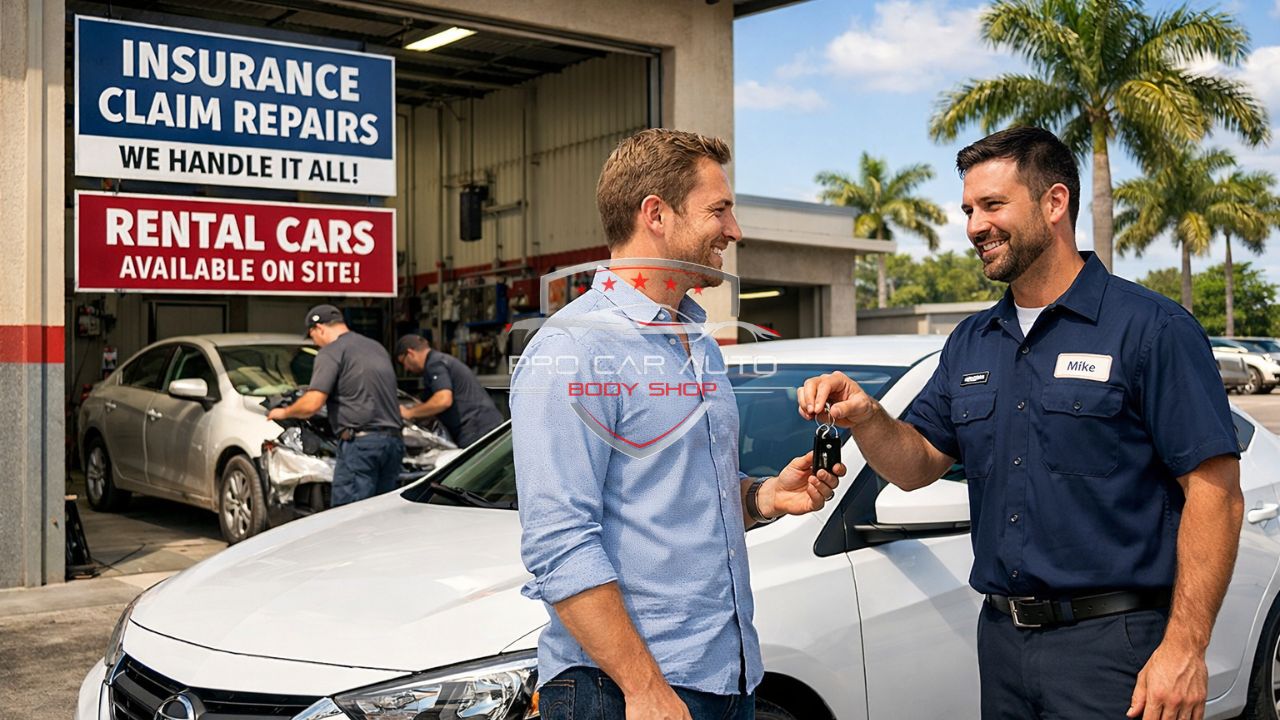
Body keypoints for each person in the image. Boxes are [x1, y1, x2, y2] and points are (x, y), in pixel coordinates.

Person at [799, 127, 1244, 720]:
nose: (974, 226)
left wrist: (1185, 648)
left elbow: (1217, 495)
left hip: (1116, 650)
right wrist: (868, 416)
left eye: (992, 205)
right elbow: (916, 467)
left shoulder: (1151, 329)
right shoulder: (972, 341)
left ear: (1054, 203)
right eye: (967, 210)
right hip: (1003, 644)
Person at [512, 128, 845, 720]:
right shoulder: (576, 348)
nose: (734, 230)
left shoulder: (694, 342)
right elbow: (559, 545)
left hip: (724, 677)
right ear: (655, 214)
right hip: (630, 693)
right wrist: (644, 690)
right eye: (719, 210)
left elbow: (674, 500)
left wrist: (764, 496)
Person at [267, 304, 404, 506]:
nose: (314, 342)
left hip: (361, 447)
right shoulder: (376, 348)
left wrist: (284, 411)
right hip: (394, 444)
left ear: (319, 328)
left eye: (312, 336)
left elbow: (313, 404)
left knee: (348, 516)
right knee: (382, 514)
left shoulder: (332, 351)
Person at [393, 334, 504, 447]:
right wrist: (412, 408)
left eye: (403, 363)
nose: (406, 368)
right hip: (480, 426)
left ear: (411, 353)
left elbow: (443, 400)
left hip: (478, 429)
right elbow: (428, 402)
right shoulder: (437, 362)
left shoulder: (434, 364)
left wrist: (410, 413)